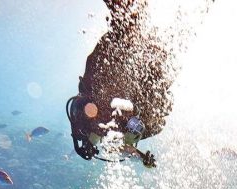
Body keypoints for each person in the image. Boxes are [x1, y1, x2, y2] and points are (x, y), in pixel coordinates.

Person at [66, 0, 173, 167]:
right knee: (160, 54)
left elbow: (78, 107)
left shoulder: (97, 112)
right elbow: (125, 146)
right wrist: (142, 157)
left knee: (126, 30)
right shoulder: (141, 116)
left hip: (109, 74)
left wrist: (84, 143)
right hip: (134, 74)